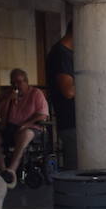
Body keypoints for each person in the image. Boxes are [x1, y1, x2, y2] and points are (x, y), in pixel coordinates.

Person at [0, 69, 49, 182]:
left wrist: (26, 124)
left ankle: (12, 169)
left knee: (25, 134)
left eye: (19, 82)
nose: (16, 86)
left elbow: (42, 115)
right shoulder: (7, 94)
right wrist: (7, 98)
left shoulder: (36, 93)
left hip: (30, 128)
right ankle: (4, 171)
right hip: (8, 128)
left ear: (26, 81)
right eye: (13, 83)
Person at [45, 24, 77, 169]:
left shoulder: (66, 53)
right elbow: (68, 91)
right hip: (71, 121)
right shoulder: (60, 54)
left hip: (75, 122)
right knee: (76, 168)